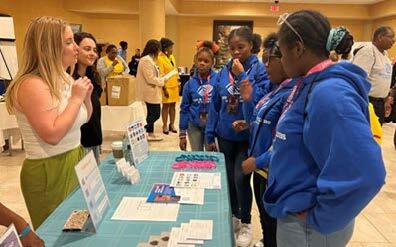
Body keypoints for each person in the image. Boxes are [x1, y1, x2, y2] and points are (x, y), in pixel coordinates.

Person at [262, 10, 385, 247]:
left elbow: (368, 172)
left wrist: (322, 217)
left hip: (310, 228)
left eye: (282, 52)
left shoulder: (329, 93)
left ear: (297, 48)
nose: (280, 59)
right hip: (297, 213)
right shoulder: (308, 83)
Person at [5, 16, 93, 229]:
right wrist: (75, 99)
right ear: (49, 47)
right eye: (69, 42)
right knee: (57, 233)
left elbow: (82, 119)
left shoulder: (64, 77)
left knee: (77, 228)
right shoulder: (31, 85)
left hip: (74, 158)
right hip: (49, 169)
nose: (76, 49)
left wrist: (86, 98)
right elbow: (52, 134)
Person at [205, 26, 269, 247]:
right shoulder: (223, 71)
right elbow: (215, 105)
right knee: (229, 179)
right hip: (224, 134)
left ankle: (246, 222)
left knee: (241, 179)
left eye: (240, 47)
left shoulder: (259, 70)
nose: (236, 52)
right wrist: (209, 133)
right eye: (232, 48)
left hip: (246, 136)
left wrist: (242, 75)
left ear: (251, 46)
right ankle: (233, 216)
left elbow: (260, 100)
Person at [238, 33, 296, 247]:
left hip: (272, 170)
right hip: (262, 171)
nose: (266, 66)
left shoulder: (293, 94)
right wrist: (249, 122)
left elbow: (287, 142)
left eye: (270, 60)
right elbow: (259, 117)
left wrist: (258, 161)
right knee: (265, 219)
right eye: (264, 60)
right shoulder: (276, 89)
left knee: (274, 223)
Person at [352, 26, 395, 124]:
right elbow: (357, 78)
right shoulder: (367, 51)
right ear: (380, 37)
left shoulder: (385, 54)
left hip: (380, 103)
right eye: (391, 37)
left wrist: (386, 99)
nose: (393, 41)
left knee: (376, 136)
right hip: (367, 101)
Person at [179, 44, 217, 151]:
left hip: (212, 126)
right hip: (194, 125)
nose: (202, 63)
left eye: (206, 61)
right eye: (199, 60)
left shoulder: (217, 80)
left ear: (212, 63)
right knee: (197, 156)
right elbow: (184, 109)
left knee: (211, 158)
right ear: (195, 61)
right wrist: (182, 134)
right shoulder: (189, 84)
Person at [72, 32, 103, 164]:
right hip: (79, 143)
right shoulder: (70, 81)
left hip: (94, 139)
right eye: (87, 49)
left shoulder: (93, 78)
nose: (92, 54)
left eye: (94, 50)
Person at [136, 39, 170, 141]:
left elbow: (154, 75)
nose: (159, 52)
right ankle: (143, 131)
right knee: (155, 114)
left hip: (152, 90)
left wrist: (161, 77)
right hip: (149, 91)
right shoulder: (146, 60)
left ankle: (150, 133)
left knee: (151, 113)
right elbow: (150, 78)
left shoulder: (150, 60)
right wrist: (162, 81)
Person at [157, 38, 179, 134]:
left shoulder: (172, 57)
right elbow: (161, 74)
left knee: (173, 106)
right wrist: (164, 88)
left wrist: (178, 82)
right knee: (166, 106)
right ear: (165, 48)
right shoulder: (160, 59)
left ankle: (172, 124)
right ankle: (165, 125)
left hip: (174, 85)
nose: (172, 49)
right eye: (170, 47)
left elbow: (175, 70)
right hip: (166, 86)